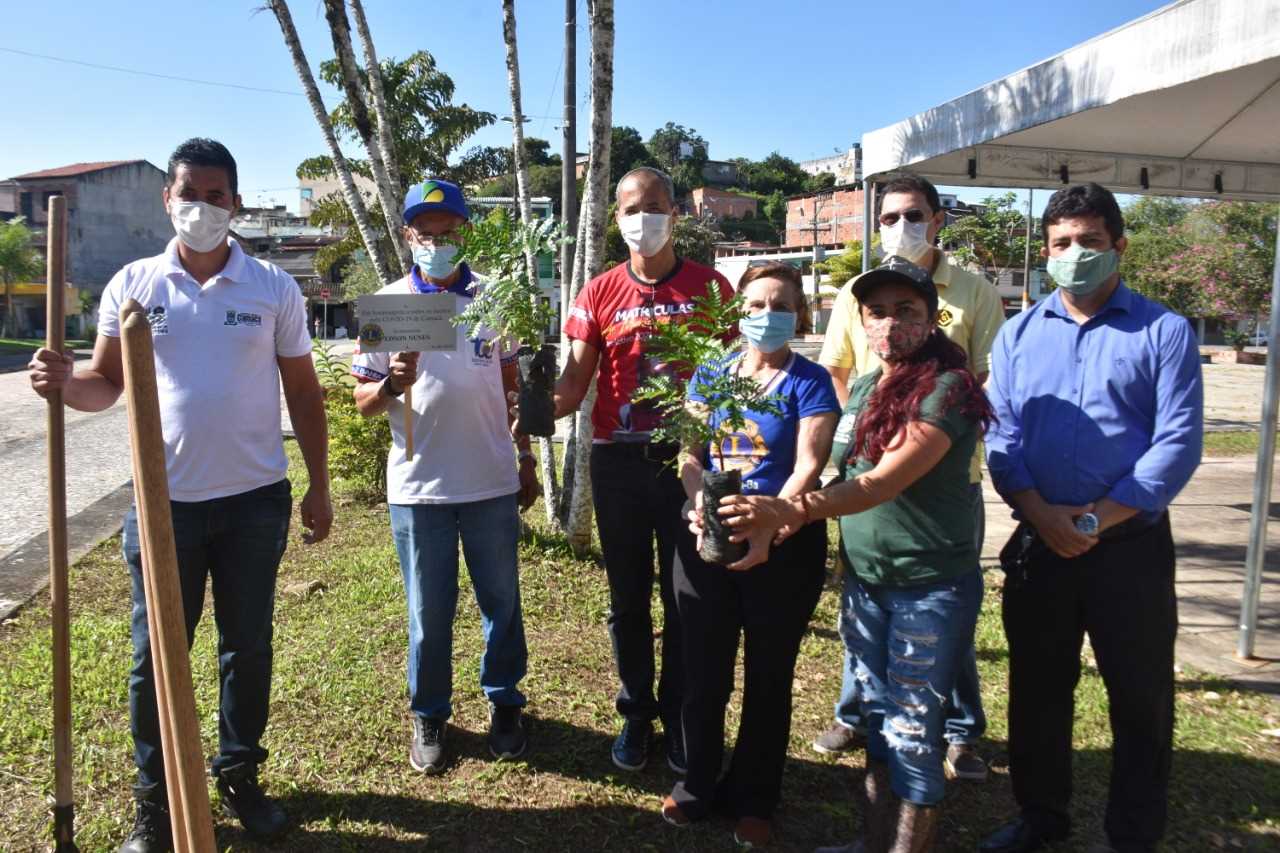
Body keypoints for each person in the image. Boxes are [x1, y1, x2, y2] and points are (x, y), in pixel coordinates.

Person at [27, 138, 333, 852]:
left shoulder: (271, 287)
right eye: (189, 192)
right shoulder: (133, 285)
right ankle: (154, 806)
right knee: (153, 657)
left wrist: (319, 484)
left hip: (256, 500)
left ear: (235, 203)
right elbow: (105, 383)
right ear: (168, 198)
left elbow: (303, 391)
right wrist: (62, 384)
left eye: (216, 194)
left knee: (247, 646)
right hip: (164, 508)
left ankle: (239, 773)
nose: (202, 206)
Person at [722, 256, 993, 853]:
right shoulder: (870, 385)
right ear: (860, 321)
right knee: (875, 719)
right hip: (867, 579)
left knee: (914, 730)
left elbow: (879, 484)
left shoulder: (948, 389)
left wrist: (787, 511)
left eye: (907, 311)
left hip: (928, 585)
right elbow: (839, 465)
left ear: (932, 318)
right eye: (876, 313)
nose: (890, 324)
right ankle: (874, 844)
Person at [979, 183, 1203, 853]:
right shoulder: (1017, 335)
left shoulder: (1163, 331)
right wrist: (1041, 515)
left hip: (1129, 547)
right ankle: (1040, 815)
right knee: (1038, 691)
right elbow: (1002, 435)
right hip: (1039, 540)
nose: (1075, 254)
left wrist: (1093, 521)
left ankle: (1132, 832)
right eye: (1062, 243)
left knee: (1140, 697)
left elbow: (1177, 444)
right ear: (1045, 251)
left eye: (1090, 241)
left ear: (1118, 246)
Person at [815, 174, 1004, 783]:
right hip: (866, 482)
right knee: (866, 597)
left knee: (937, 610)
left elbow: (984, 379)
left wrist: (916, 438)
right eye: (890, 217)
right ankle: (860, 717)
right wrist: (865, 433)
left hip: (943, 477)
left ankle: (959, 732)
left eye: (914, 215)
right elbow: (840, 371)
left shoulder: (973, 292)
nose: (903, 226)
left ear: (938, 218)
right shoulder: (854, 294)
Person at [351, 178, 539, 775]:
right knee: (428, 612)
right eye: (424, 232)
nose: (436, 241)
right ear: (409, 235)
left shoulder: (495, 298)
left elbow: (512, 388)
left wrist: (526, 457)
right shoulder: (389, 304)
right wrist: (390, 384)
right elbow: (362, 399)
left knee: (501, 601)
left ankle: (505, 701)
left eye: (447, 230)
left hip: (489, 480)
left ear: (464, 232)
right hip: (419, 487)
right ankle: (429, 713)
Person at [552, 166, 734, 773]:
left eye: (655, 206)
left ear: (676, 213)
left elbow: (738, 378)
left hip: (687, 462)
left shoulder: (713, 290)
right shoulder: (598, 292)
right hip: (618, 461)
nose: (643, 218)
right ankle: (635, 713)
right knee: (626, 597)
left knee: (687, 596)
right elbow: (575, 382)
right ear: (616, 219)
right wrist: (526, 404)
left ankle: (682, 719)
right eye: (632, 208)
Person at [658, 263, 839, 849]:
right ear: (736, 313)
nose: (765, 315)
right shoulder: (713, 372)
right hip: (709, 534)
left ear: (800, 315)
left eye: (779, 304)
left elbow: (808, 466)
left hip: (784, 543)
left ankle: (756, 797)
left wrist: (772, 527)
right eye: (754, 304)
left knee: (769, 675)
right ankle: (696, 784)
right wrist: (695, 505)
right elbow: (690, 453)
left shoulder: (809, 381)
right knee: (703, 670)